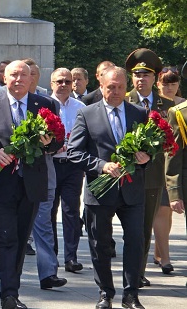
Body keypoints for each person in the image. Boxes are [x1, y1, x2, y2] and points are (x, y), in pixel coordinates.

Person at [0, 60, 60, 309]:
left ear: (32, 78)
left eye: (24, 75)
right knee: (5, 239)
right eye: (14, 75)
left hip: (31, 184)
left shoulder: (45, 105)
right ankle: (8, 294)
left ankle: (13, 288)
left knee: (21, 239)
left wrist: (47, 142)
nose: (19, 79)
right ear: (5, 78)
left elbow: (57, 142)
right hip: (1, 184)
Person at [67, 66, 149, 309]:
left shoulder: (139, 113)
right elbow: (74, 152)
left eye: (120, 87)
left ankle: (131, 294)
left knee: (135, 240)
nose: (115, 92)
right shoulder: (87, 113)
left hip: (132, 190)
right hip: (100, 191)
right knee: (99, 242)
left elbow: (149, 149)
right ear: (101, 86)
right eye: (110, 87)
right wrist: (101, 165)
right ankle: (105, 292)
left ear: (127, 87)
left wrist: (146, 157)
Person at [124, 48, 173, 288]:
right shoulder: (123, 101)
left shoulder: (169, 105)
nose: (140, 79)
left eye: (146, 75)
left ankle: (138, 271)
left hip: (154, 176)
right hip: (126, 173)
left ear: (155, 78)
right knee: (130, 228)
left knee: (144, 227)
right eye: (136, 75)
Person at [49, 68, 86, 273]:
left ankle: (71, 257)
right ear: (52, 83)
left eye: (67, 81)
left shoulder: (80, 107)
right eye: (59, 81)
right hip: (51, 163)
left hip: (72, 165)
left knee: (71, 210)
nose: (63, 85)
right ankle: (51, 255)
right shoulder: (44, 105)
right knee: (50, 210)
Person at [153, 67, 184, 274]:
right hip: (158, 161)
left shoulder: (183, 105)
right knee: (163, 209)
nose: (169, 87)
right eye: (165, 83)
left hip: (179, 162)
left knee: (169, 214)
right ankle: (165, 258)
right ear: (158, 84)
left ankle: (158, 252)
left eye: (173, 83)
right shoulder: (153, 103)